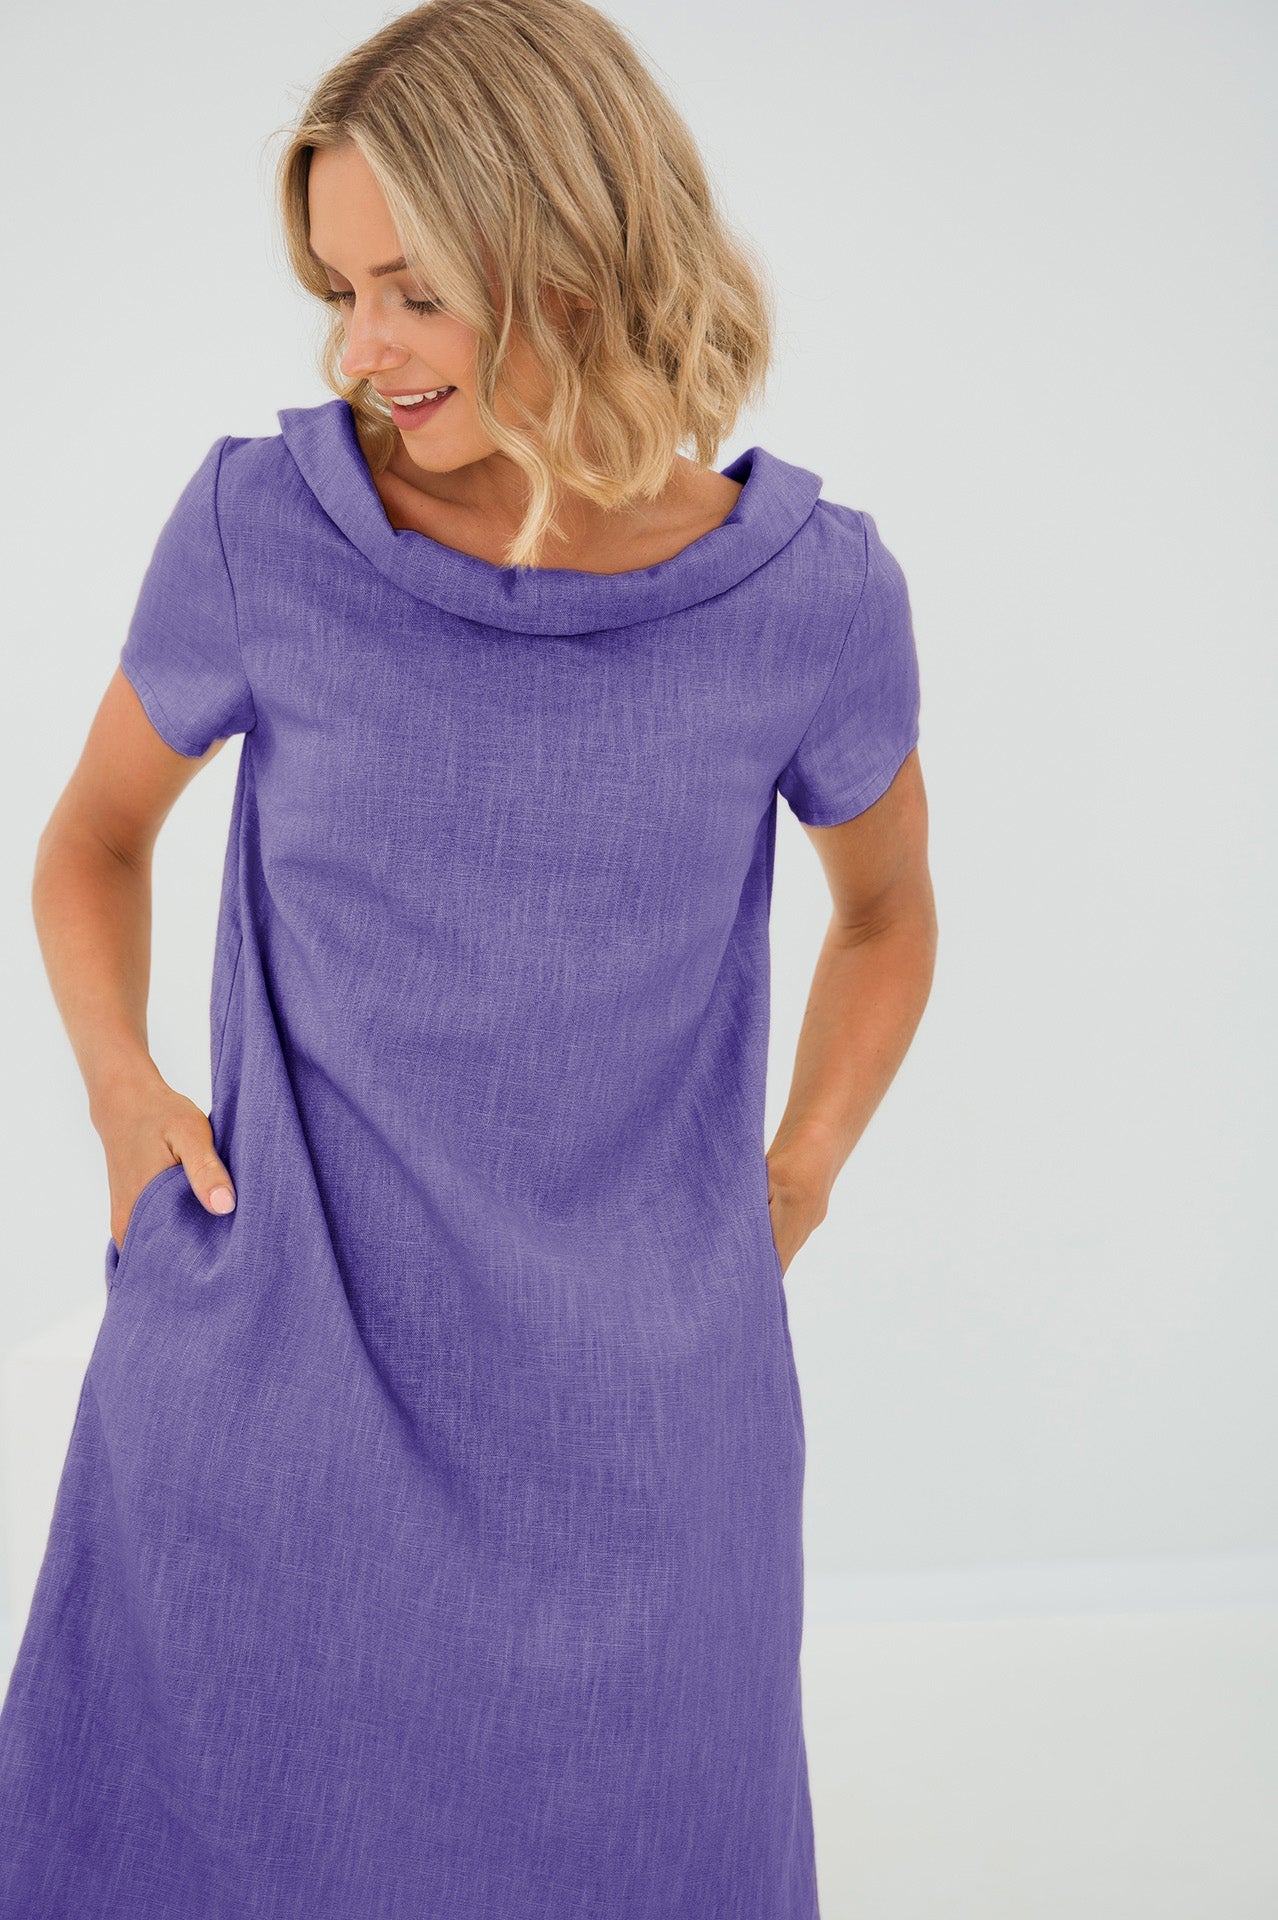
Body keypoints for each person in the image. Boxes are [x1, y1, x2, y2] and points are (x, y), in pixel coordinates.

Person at [0, 0, 936, 1912]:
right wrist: (118, 1091)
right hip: (275, 1386)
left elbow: (887, 912)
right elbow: (93, 838)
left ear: (573, 252)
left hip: (646, 1421)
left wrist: (802, 1168)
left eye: (414, 292)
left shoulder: (812, 599)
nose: (360, 350)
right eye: (340, 291)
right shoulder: (265, 529)